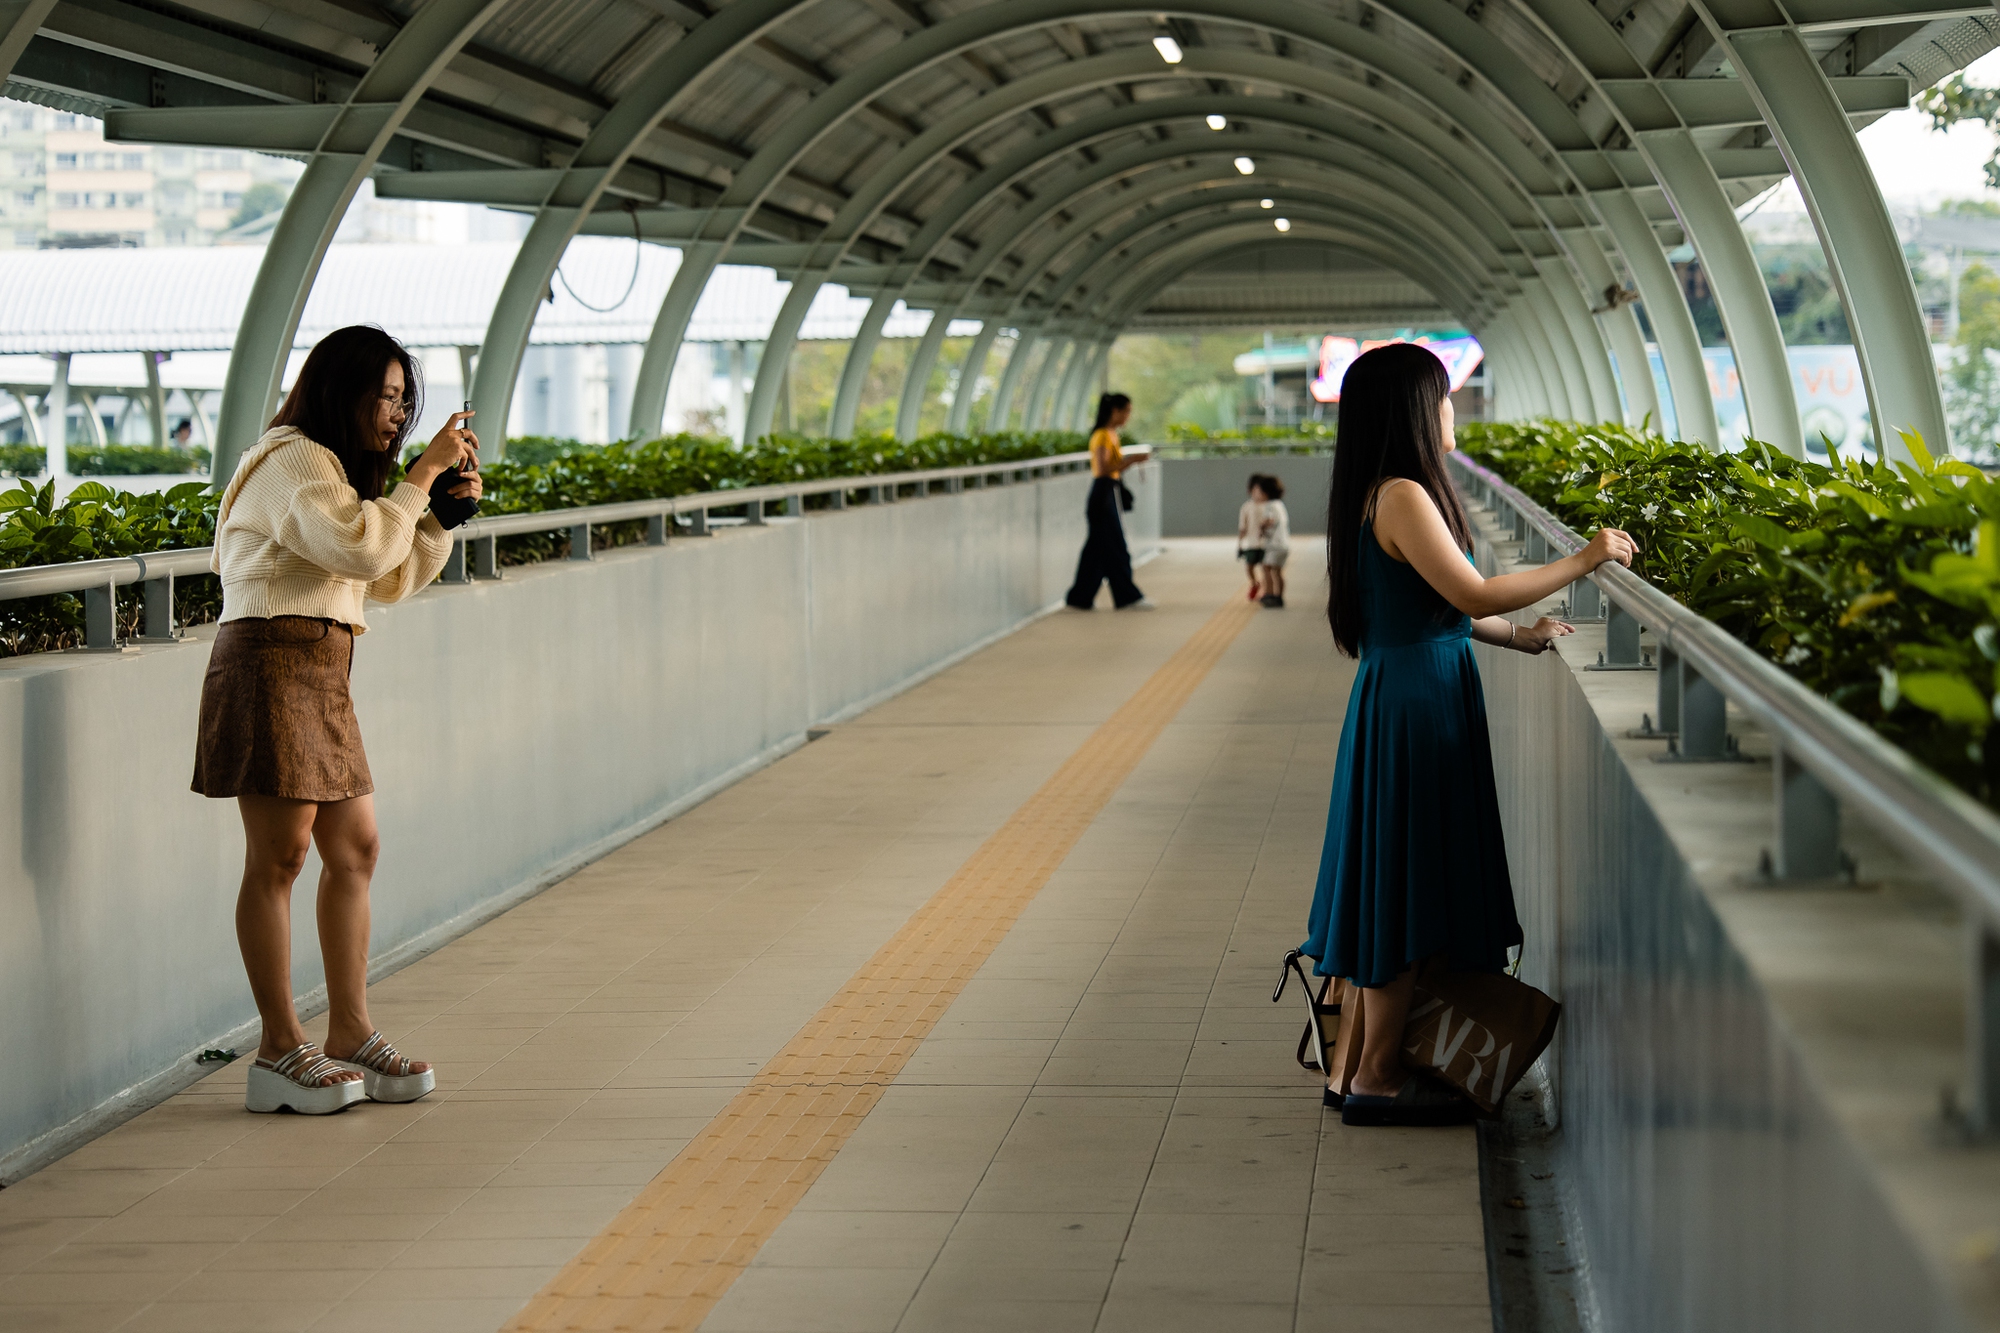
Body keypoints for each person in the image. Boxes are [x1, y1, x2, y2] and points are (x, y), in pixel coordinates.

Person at [1299, 343, 1634, 1128]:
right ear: (1414, 411)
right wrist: (1584, 558)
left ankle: (1355, 1068)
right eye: (1443, 397)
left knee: (1403, 885)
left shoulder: (1383, 493)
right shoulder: (1406, 494)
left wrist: (1515, 636)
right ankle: (1377, 1080)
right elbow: (1470, 587)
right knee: (1407, 892)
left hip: (1411, 689)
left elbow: (1438, 605)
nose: (1453, 410)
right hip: (1418, 703)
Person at [192, 324, 482, 1115]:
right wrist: (421, 475)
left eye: (403, 399)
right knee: (279, 857)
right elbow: (359, 550)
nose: (396, 414)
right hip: (269, 657)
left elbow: (380, 578)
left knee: (355, 846)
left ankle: (349, 1029)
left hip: (323, 662)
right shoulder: (293, 459)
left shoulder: (332, 472)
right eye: (384, 396)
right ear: (340, 389)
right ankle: (281, 1044)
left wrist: (436, 519)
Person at [1064, 393, 1153, 610]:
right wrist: (1131, 460)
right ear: (1116, 411)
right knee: (1115, 548)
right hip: (1102, 495)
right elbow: (1103, 469)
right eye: (1127, 411)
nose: (1128, 417)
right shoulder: (1102, 435)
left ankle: (1080, 598)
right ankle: (1127, 597)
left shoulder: (1112, 434)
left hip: (1108, 493)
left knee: (1096, 551)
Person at [1252, 474, 1290, 608]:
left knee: (1266, 567)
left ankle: (1270, 594)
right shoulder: (1279, 504)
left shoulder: (1270, 506)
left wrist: (1262, 525)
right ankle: (1279, 596)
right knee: (1277, 571)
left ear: (1265, 493)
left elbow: (1270, 520)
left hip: (1275, 545)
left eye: (1259, 492)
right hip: (1283, 544)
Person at [1236, 475, 1267, 603]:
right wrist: (1240, 544)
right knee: (1249, 567)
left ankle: (1265, 590)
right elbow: (1242, 527)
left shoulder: (1268, 506)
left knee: (1266, 568)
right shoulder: (1246, 507)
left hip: (1266, 544)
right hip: (1252, 543)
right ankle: (1255, 584)